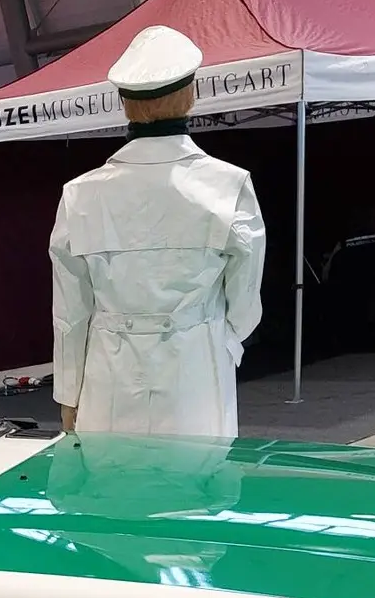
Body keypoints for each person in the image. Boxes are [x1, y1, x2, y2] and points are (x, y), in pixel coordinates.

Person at [49, 25, 266, 436]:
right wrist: (219, 341)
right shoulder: (228, 186)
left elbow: (70, 312)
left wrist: (68, 393)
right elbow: (244, 301)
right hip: (197, 372)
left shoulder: (80, 194)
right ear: (191, 96)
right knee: (200, 474)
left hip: (108, 379)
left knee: (111, 475)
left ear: (124, 104)